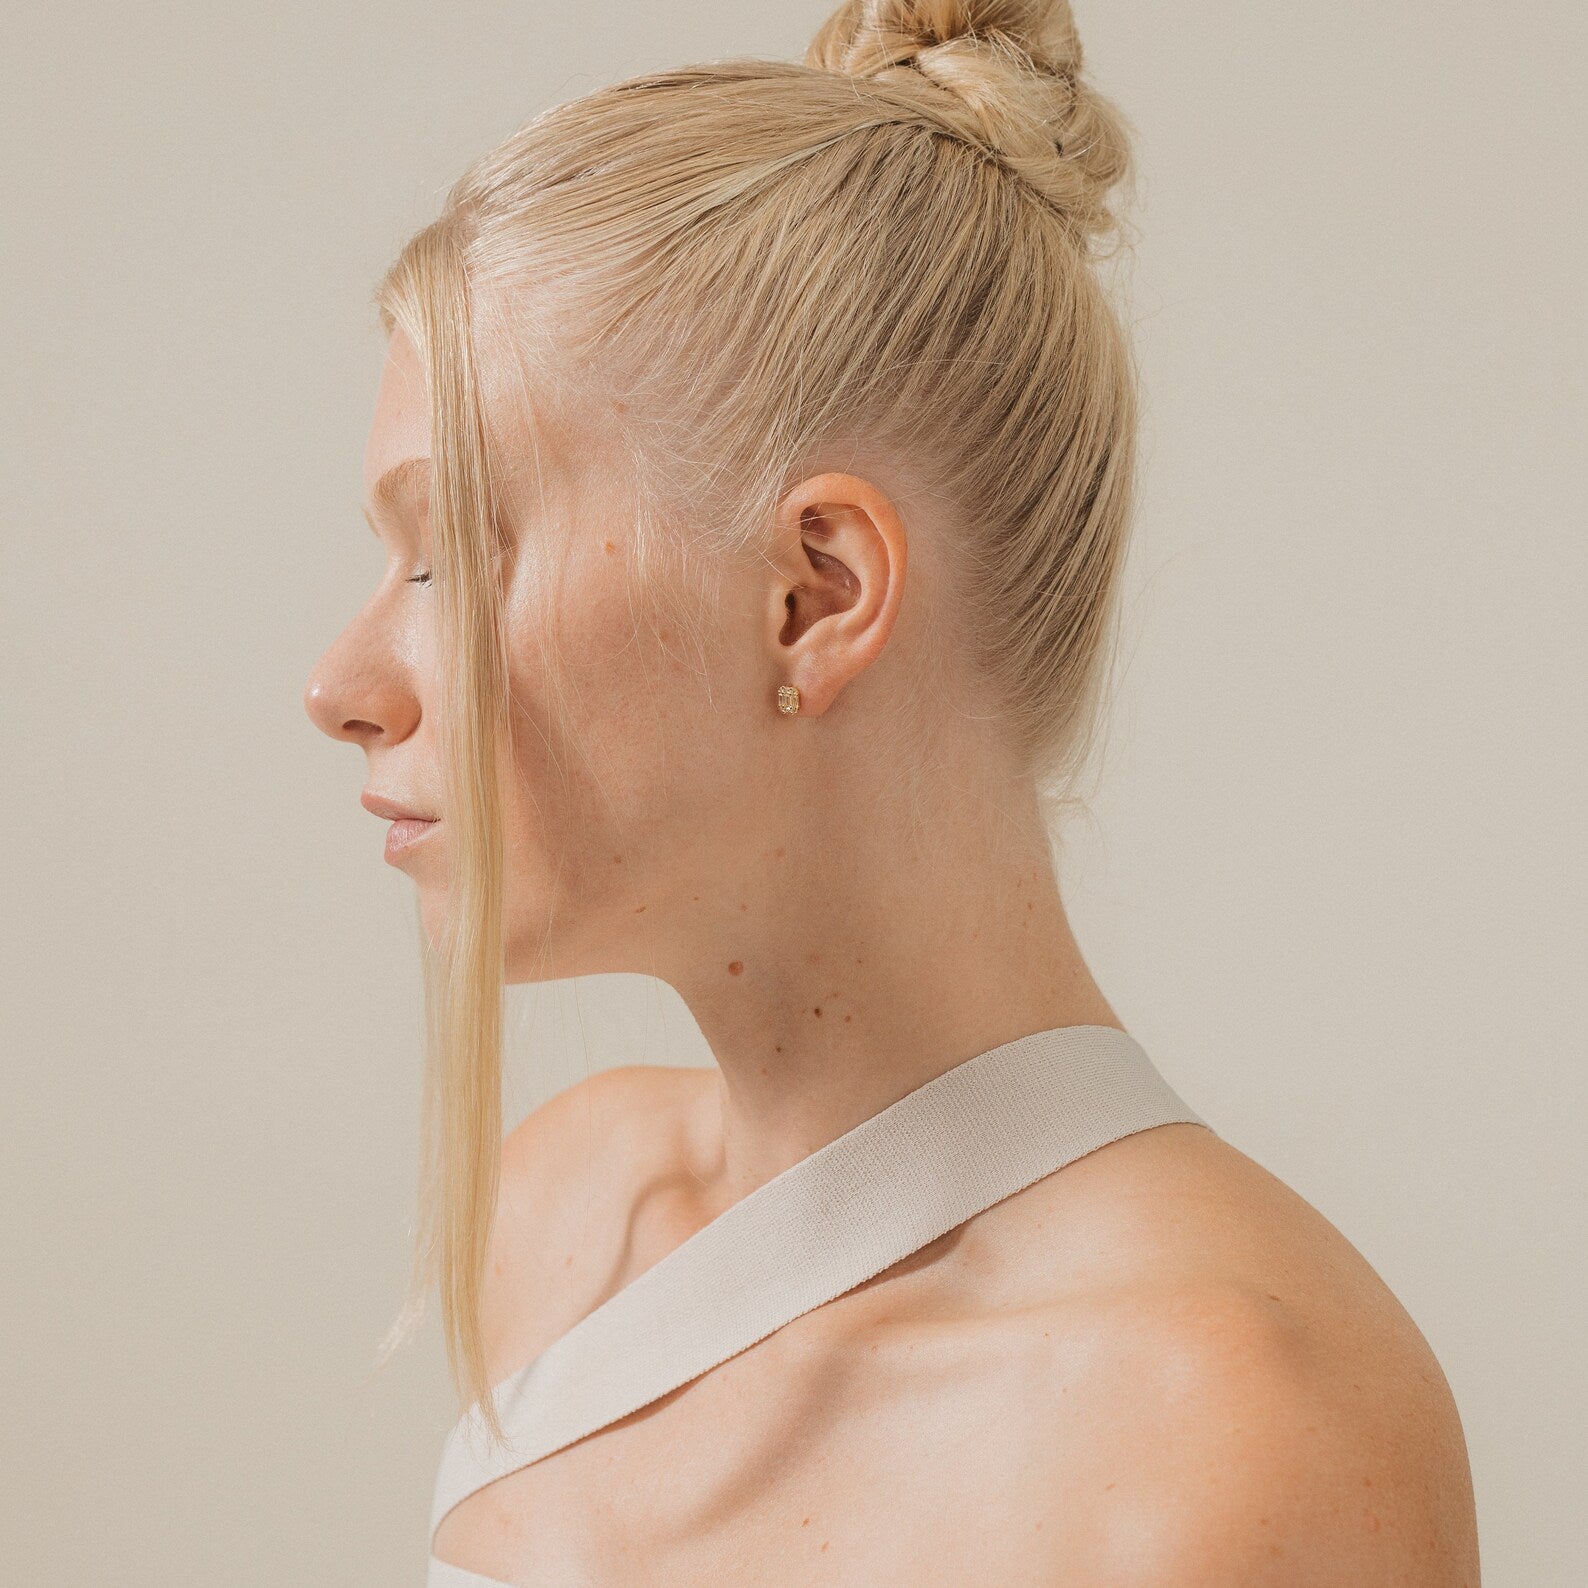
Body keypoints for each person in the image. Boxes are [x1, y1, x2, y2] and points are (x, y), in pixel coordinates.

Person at [304, 0, 1480, 1581]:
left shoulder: (1234, 1428)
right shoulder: (571, 1215)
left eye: (453, 551)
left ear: (813, 592)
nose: (339, 688)